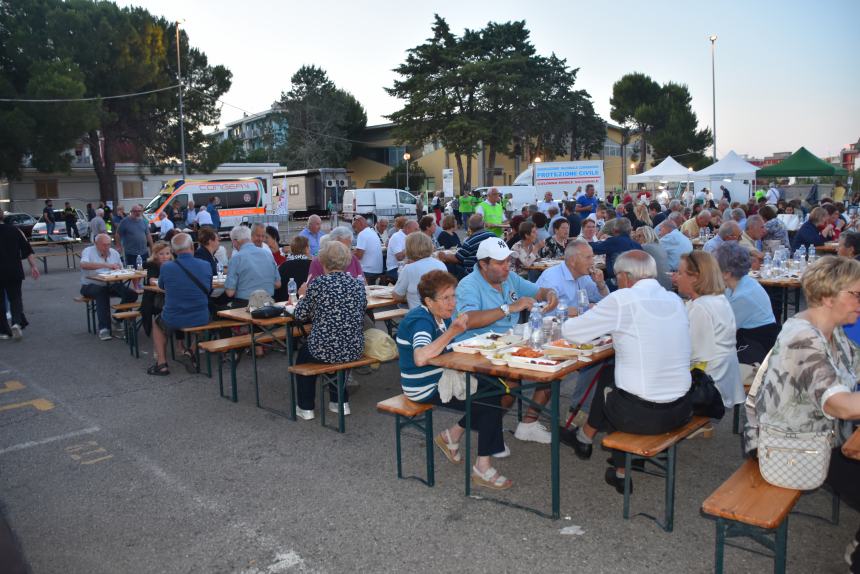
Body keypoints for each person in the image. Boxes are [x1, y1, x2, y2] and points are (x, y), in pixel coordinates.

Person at [745, 256, 860, 573]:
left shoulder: (830, 331)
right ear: (827, 296)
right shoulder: (802, 338)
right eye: (855, 294)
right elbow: (841, 406)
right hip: (791, 448)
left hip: (824, 438)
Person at [562, 251, 693, 494]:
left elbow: (572, 332)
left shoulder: (623, 299)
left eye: (617, 277)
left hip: (641, 415)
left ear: (625, 276)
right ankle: (590, 443)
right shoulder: (674, 300)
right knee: (613, 377)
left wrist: (567, 316)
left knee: (616, 387)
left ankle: (608, 458)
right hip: (681, 408)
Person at [397, 270, 510, 487]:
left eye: (454, 296)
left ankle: (451, 435)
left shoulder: (438, 317)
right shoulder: (420, 320)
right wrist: (453, 332)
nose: (452, 303)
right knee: (489, 401)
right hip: (423, 386)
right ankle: (482, 468)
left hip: (442, 376)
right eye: (446, 298)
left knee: (496, 387)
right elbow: (420, 357)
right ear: (429, 301)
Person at [455, 237, 559, 444]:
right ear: (483, 265)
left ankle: (525, 424)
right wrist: (509, 308)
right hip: (474, 350)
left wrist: (551, 294)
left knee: (551, 371)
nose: (507, 267)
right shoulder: (468, 285)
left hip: (506, 346)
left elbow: (540, 291)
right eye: (500, 263)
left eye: (508, 262)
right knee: (509, 385)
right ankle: (474, 431)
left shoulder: (509, 278)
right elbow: (468, 320)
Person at [293, 241, 366, 419]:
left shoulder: (318, 284)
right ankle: (340, 402)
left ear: (323, 261)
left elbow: (299, 315)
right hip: (354, 347)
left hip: (324, 347)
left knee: (303, 358)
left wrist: (302, 294)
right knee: (336, 351)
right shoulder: (358, 285)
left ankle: (306, 407)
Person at [673, 251, 743, 416]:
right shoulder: (718, 299)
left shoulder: (700, 307)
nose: (675, 277)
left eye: (680, 273)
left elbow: (692, 353)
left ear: (695, 277)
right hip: (725, 375)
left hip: (708, 385)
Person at [147, 233, 212, 376]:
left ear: (174, 251)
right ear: (191, 247)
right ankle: (191, 351)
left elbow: (162, 286)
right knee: (210, 320)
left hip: (173, 317)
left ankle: (162, 364)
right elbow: (208, 289)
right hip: (200, 316)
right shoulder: (206, 265)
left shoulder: (167, 267)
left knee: (157, 324)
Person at [713, 242, 778, 365]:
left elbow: (721, 330)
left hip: (756, 349)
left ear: (727, 273)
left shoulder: (742, 296)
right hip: (749, 341)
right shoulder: (741, 283)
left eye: (714, 269)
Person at [79, 233, 138, 341]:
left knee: (132, 293)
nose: (107, 247)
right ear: (96, 244)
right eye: (104, 245)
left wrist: (119, 269)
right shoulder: (88, 251)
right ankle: (104, 328)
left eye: (109, 244)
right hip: (89, 285)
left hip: (110, 283)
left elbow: (120, 267)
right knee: (102, 292)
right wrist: (106, 265)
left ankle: (116, 319)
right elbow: (83, 265)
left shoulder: (114, 253)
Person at [0, 210, 39, 340]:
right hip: (14, 270)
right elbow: (27, 250)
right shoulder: (14, 230)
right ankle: (16, 323)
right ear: (3, 216)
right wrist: (33, 266)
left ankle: (4, 331)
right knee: (15, 298)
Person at [536, 239, 608, 310]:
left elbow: (604, 300)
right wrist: (582, 310)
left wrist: (600, 283)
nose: (592, 262)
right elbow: (546, 311)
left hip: (577, 320)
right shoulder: (552, 277)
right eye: (588, 258)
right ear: (572, 261)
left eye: (592, 257)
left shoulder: (583, 276)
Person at [224, 225, 280, 307]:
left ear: (235, 242)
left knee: (216, 310)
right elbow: (278, 284)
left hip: (245, 305)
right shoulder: (268, 254)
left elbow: (230, 293)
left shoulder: (236, 258)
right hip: (268, 304)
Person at [393, 233, 447, 309]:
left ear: (409, 248)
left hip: (420, 315)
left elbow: (397, 296)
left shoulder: (409, 268)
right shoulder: (441, 264)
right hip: (440, 313)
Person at [590, 217, 641, 288]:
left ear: (614, 230)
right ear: (630, 230)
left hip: (618, 283)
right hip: (637, 283)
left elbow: (593, 248)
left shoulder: (614, 241)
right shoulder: (638, 245)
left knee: (593, 287)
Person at [140, 241, 173, 342]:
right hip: (153, 298)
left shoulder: (173, 264)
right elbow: (152, 280)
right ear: (155, 255)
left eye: (167, 253)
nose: (165, 256)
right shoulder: (153, 264)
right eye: (161, 254)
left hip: (167, 295)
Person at [632, 226, 672, 290]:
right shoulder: (659, 246)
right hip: (667, 284)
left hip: (656, 286)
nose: (637, 239)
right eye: (635, 237)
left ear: (647, 235)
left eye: (639, 236)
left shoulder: (645, 247)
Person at [275, 235, 312, 302]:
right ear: (306, 249)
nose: (310, 249)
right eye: (309, 247)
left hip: (286, 303)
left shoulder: (283, 266)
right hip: (307, 303)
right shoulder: (312, 265)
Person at [353, 215, 384, 284]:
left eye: (355, 227)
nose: (355, 230)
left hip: (367, 270)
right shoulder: (372, 232)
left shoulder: (362, 234)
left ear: (360, 224)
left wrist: (349, 253)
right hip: (377, 269)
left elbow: (359, 256)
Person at [384, 218, 417, 282]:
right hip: (395, 268)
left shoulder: (410, 237)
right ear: (407, 229)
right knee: (415, 279)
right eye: (415, 229)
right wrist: (410, 246)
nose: (417, 231)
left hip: (407, 267)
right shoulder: (397, 237)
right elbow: (399, 257)